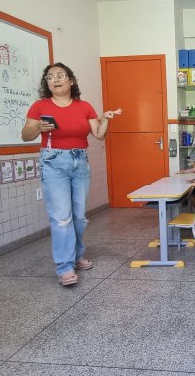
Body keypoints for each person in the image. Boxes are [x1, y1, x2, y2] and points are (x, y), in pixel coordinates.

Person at [21, 62, 121, 286]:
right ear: (47, 84)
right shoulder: (39, 106)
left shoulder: (84, 106)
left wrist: (105, 119)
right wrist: (37, 128)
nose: (55, 79)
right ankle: (64, 267)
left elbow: (99, 135)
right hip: (53, 161)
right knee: (61, 217)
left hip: (80, 161)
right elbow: (25, 135)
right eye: (50, 77)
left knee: (78, 216)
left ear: (71, 80)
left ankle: (76, 255)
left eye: (60, 75)